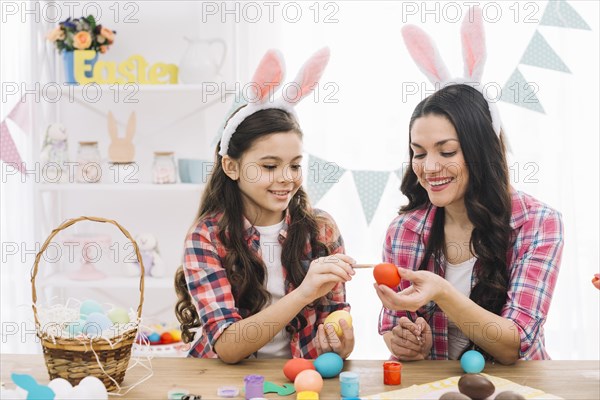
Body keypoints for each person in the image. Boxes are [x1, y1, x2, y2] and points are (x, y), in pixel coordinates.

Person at [375, 7, 563, 364]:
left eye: (446, 151)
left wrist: (443, 292)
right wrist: (405, 340)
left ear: (482, 150)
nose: (429, 168)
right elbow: (393, 324)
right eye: (418, 153)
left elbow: (514, 345)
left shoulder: (539, 223)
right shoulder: (404, 231)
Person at [174, 48, 356, 363]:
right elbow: (228, 347)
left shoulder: (322, 229)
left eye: (295, 165)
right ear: (231, 167)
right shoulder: (207, 237)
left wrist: (340, 339)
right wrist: (305, 293)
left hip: (299, 380)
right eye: (269, 166)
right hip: (225, 383)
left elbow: (335, 318)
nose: (286, 178)